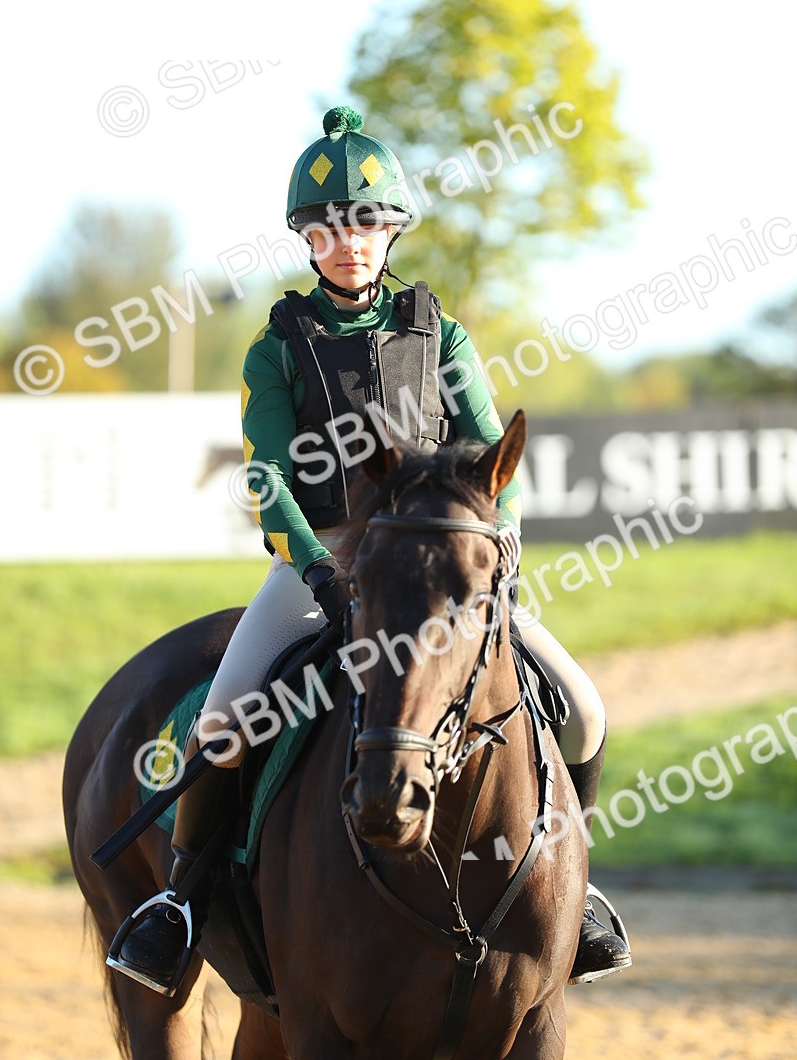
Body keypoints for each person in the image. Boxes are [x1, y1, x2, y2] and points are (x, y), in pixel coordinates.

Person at [108, 106, 631, 995]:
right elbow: (270, 477)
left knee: (582, 711)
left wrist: (491, 551)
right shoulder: (278, 347)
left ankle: (569, 891)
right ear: (307, 239)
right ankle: (181, 904)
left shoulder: (444, 335)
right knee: (226, 720)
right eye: (327, 227)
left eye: (365, 223)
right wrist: (318, 566)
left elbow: (490, 463)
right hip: (317, 565)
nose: (348, 241)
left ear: (391, 230)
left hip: (437, 567)